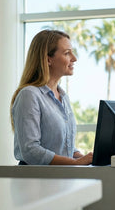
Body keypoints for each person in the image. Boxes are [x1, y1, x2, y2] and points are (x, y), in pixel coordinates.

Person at [10, 29, 93, 165]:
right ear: (48, 59)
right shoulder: (29, 95)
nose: (74, 58)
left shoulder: (63, 97)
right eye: (67, 53)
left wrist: (85, 157)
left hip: (62, 178)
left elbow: (63, 147)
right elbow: (31, 150)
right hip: (37, 182)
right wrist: (74, 163)